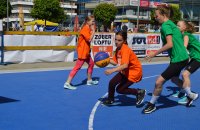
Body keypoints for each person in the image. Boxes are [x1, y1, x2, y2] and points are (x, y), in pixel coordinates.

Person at [142, 5, 189, 114]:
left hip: (178, 59)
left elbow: (170, 44)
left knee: (159, 81)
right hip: (181, 58)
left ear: (163, 15)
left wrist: (154, 53)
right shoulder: (172, 24)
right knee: (174, 79)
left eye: (156, 15)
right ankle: (191, 94)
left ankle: (152, 104)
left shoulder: (165, 26)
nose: (155, 17)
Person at [102, 31, 146, 106]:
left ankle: (139, 92)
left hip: (134, 72)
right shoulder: (118, 49)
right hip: (125, 71)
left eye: (119, 40)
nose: (116, 42)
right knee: (112, 83)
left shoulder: (125, 50)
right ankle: (110, 100)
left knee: (120, 90)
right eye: (115, 39)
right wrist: (106, 59)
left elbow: (125, 65)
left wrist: (112, 70)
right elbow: (115, 62)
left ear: (124, 41)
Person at [64, 15, 98, 90]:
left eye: (94, 21)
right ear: (87, 21)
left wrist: (92, 31)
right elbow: (89, 39)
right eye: (92, 21)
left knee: (91, 63)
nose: (93, 22)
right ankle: (67, 83)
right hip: (82, 52)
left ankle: (89, 80)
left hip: (86, 52)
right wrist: (94, 31)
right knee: (77, 67)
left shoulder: (88, 28)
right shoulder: (85, 29)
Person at [171, 21, 199, 105]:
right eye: (176, 25)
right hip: (195, 57)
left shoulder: (185, 35)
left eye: (178, 26)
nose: (176, 27)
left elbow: (184, 47)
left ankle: (189, 97)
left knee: (185, 74)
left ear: (184, 28)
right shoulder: (183, 35)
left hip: (198, 57)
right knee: (183, 74)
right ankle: (183, 91)